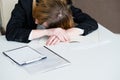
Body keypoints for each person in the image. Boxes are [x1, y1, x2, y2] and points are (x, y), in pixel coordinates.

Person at [6, 0, 98, 45]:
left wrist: (68, 33)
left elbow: (91, 22)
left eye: (42, 21)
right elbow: (11, 32)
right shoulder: (25, 3)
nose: (36, 21)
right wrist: (48, 32)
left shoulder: (63, 4)